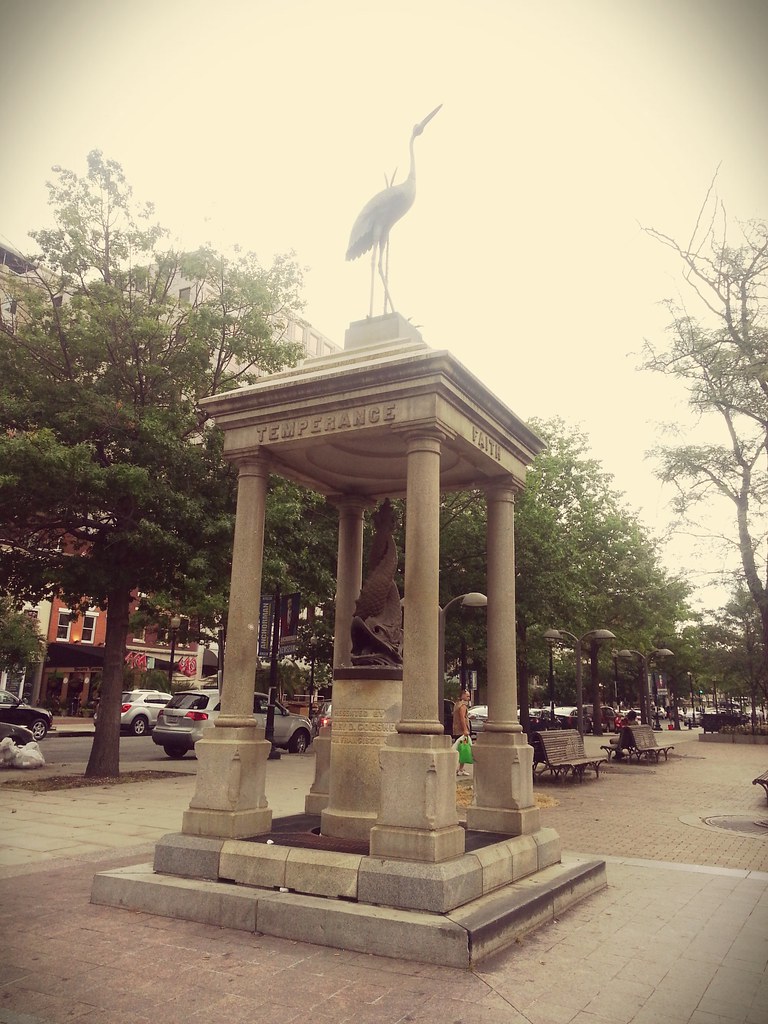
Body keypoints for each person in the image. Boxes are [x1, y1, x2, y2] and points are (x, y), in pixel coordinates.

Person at [452, 690, 471, 776]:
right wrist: (465, 729)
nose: (468, 698)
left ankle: (459, 768)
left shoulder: (456, 704)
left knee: (459, 749)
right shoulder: (462, 706)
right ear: (462, 695)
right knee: (464, 749)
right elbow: (462, 718)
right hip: (462, 731)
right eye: (467, 696)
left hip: (456, 730)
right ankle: (460, 769)